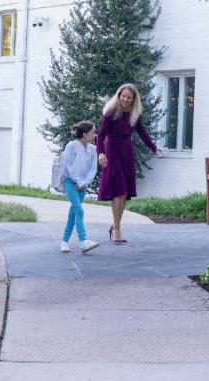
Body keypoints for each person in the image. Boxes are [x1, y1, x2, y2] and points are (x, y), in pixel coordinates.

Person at [97, 83, 160, 243]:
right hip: (112, 152)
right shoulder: (111, 112)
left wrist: (154, 148)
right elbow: (101, 135)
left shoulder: (135, 114)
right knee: (118, 190)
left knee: (124, 192)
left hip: (127, 152)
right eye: (123, 96)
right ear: (119, 96)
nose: (125, 99)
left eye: (129, 97)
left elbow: (142, 132)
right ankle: (117, 229)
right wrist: (100, 153)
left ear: (133, 99)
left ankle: (115, 224)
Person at [59, 121, 100, 254]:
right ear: (84, 134)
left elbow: (93, 169)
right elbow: (67, 167)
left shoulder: (93, 149)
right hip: (70, 182)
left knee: (73, 212)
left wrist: (83, 183)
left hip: (82, 185)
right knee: (79, 211)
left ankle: (64, 241)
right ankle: (83, 242)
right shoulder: (71, 146)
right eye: (93, 132)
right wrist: (77, 181)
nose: (95, 135)